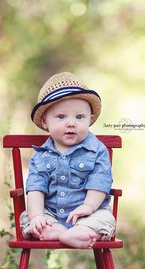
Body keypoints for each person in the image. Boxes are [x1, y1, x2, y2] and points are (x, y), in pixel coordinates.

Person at [20, 72, 116, 249]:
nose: (71, 123)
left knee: (105, 219)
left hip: (89, 214)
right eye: (61, 117)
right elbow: (35, 189)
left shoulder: (97, 150)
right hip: (52, 215)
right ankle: (63, 233)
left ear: (90, 119)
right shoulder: (40, 156)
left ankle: (79, 232)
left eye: (79, 117)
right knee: (29, 218)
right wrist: (37, 216)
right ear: (45, 121)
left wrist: (88, 206)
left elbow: (100, 181)